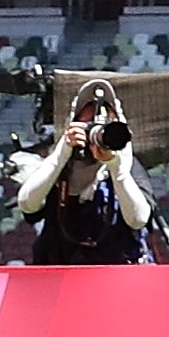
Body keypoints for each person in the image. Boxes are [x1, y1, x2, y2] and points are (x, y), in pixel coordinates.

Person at [18, 74, 155, 264]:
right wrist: (62, 153)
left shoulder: (127, 165)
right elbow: (27, 203)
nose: (95, 132)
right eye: (88, 123)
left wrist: (116, 167)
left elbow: (138, 219)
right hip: (62, 274)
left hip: (116, 276)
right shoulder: (59, 167)